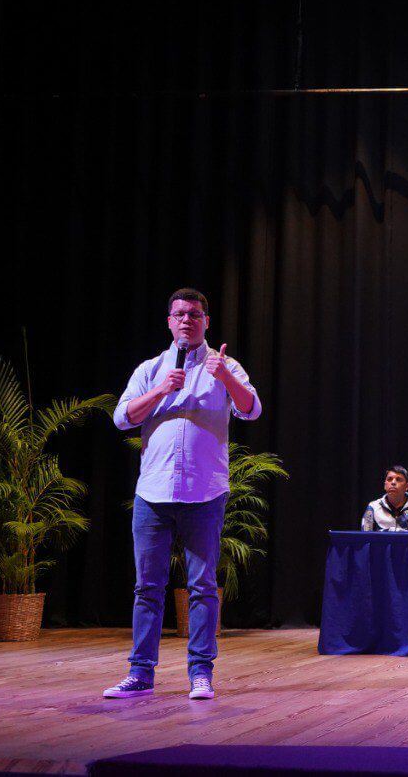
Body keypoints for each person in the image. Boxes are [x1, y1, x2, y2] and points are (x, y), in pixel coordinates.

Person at [104, 288, 262, 701]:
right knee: (147, 588)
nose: (186, 321)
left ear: (206, 321)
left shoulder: (224, 365)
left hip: (204, 493)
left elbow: (252, 408)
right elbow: (122, 417)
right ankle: (140, 674)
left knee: (203, 586)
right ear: (169, 322)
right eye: (179, 315)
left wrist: (224, 375)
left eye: (194, 314)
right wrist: (160, 390)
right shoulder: (151, 368)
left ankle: (200, 674)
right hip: (152, 494)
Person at [361, 465, 408, 531]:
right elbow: (365, 538)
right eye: (389, 479)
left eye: (398, 479)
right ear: (385, 485)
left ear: (407, 486)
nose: (393, 482)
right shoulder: (373, 507)